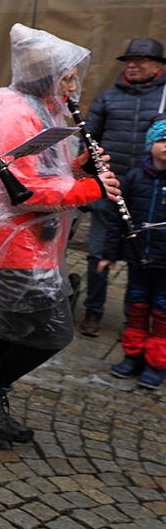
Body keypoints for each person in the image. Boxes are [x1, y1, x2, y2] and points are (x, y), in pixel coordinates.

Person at [0, 23, 120, 443]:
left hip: (32, 243)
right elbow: (21, 190)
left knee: (13, 328)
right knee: (53, 333)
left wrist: (80, 169)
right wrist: (92, 188)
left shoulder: (40, 108)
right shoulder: (15, 112)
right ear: (46, 74)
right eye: (68, 77)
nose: (74, 87)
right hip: (14, 245)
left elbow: (44, 172)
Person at [80, 37, 166, 336]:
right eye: (128, 59)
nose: (131, 64)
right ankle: (93, 311)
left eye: (140, 59)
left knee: (141, 257)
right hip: (110, 187)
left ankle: (135, 317)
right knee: (98, 253)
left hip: (149, 190)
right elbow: (88, 140)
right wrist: (91, 177)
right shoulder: (107, 98)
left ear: (158, 65)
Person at [100, 117, 166, 388]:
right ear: (150, 144)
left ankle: (156, 362)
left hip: (165, 263)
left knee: (162, 313)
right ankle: (133, 355)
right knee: (136, 307)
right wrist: (109, 254)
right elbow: (117, 220)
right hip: (138, 258)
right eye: (162, 140)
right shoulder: (135, 177)